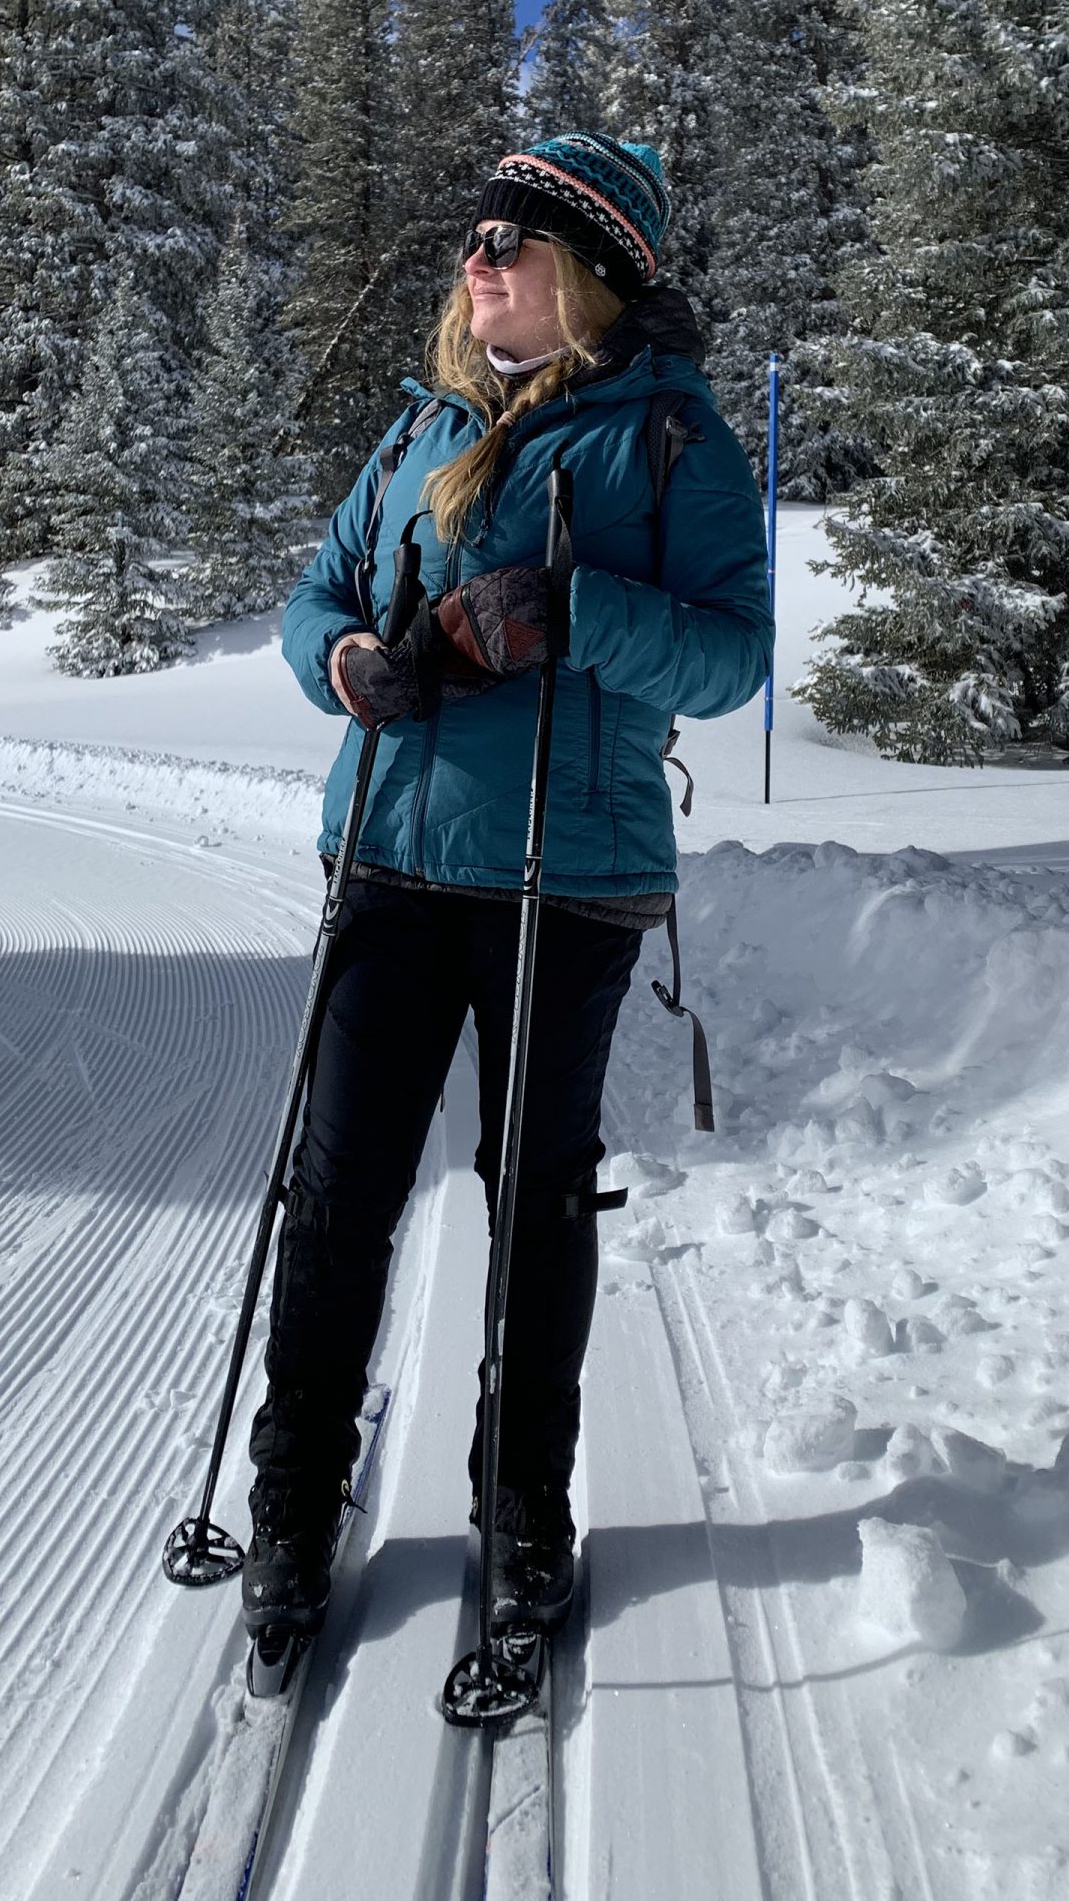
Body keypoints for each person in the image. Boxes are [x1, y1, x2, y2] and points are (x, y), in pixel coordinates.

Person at [246, 132, 773, 1642]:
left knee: (536, 1202)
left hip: (569, 873)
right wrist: (348, 663)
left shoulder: (671, 437)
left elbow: (733, 652)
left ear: (592, 276)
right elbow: (317, 595)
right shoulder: (420, 425)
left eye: (514, 239)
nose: (479, 257)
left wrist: (577, 611)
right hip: (392, 863)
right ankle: (294, 1492)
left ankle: (522, 1499)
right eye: (474, 235)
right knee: (337, 1194)